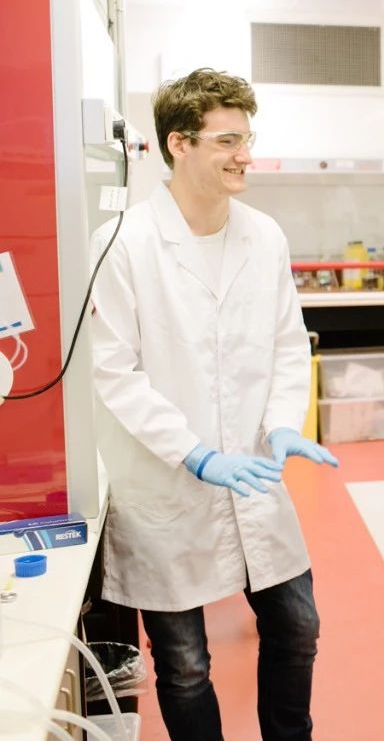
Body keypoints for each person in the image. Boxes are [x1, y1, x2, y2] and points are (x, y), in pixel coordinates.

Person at [91, 68, 338, 741]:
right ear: (180, 144)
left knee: (298, 625)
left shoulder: (264, 236)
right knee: (185, 664)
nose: (245, 155)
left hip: (254, 474)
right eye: (228, 141)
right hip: (166, 482)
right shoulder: (124, 243)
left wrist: (282, 423)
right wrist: (195, 454)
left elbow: (287, 342)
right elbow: (113, 371)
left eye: (246, 138)